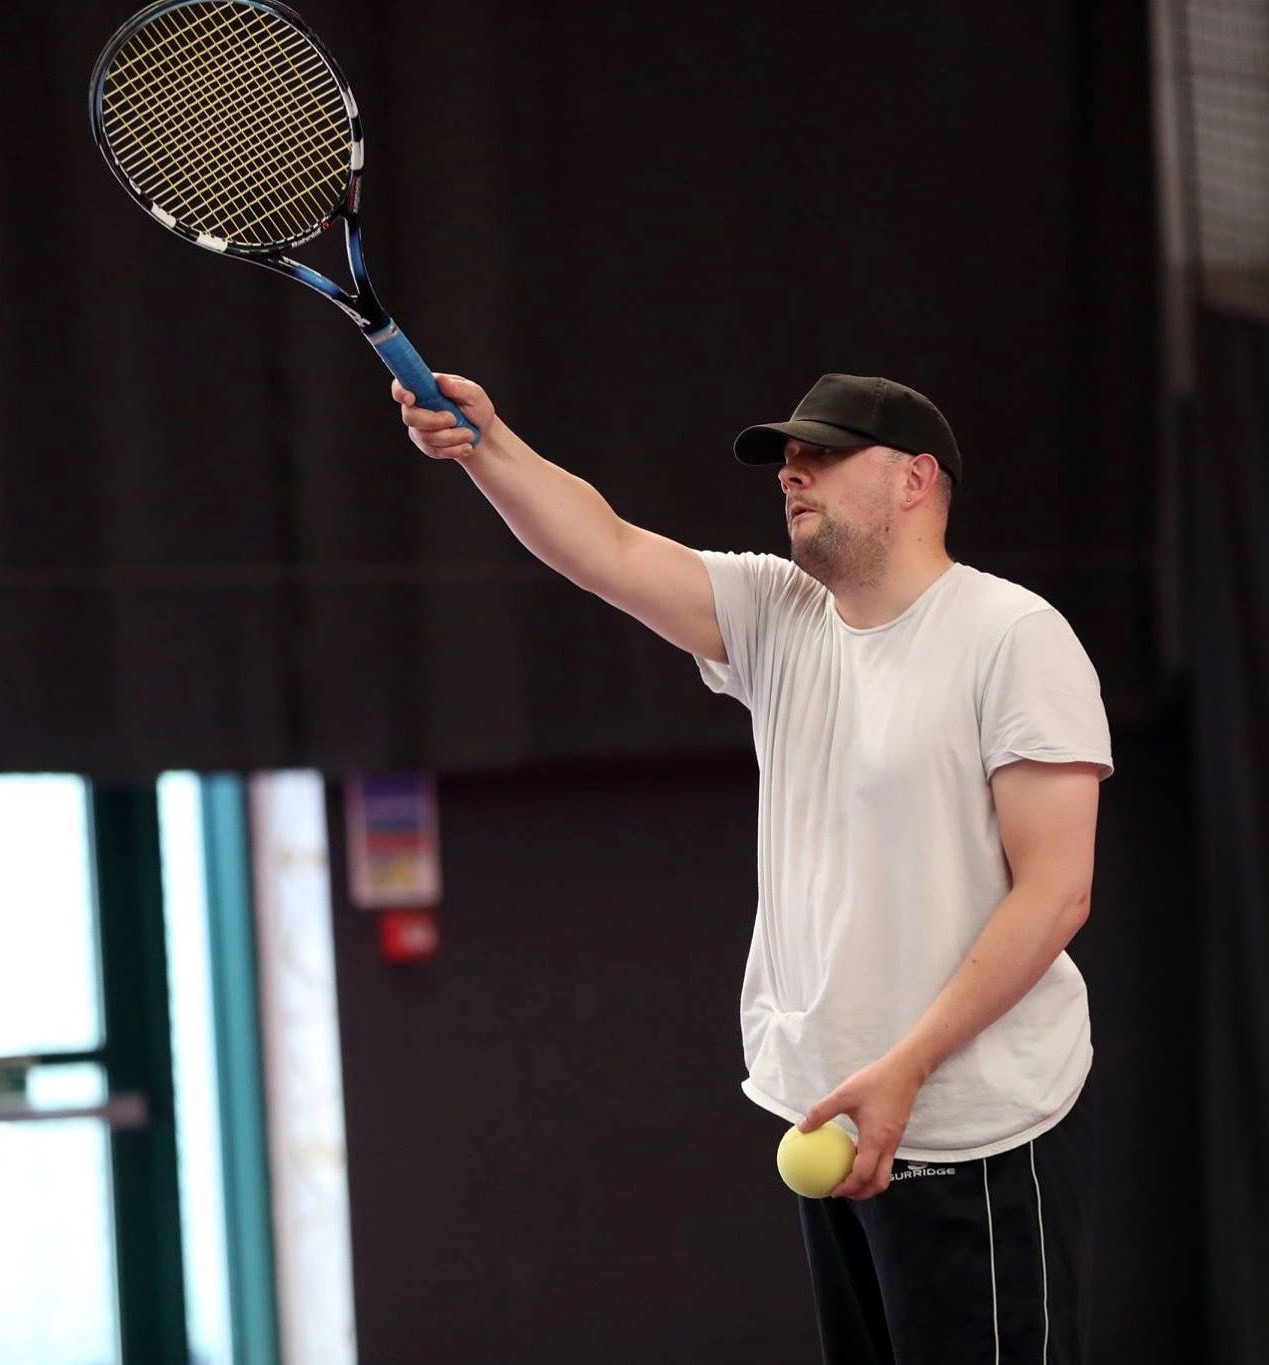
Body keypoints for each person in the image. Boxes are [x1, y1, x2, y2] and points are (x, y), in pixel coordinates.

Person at [395, 370, 1112, 1364]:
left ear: (913, 480)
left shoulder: (1011, 638)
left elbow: (1055, 891)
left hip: (970, 1133)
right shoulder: (779, 614)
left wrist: (903, 1068)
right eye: (787, 454)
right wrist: (487, 445)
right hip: (828, 1114)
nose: (791, 471)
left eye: (822, 452)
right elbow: (602, 548)